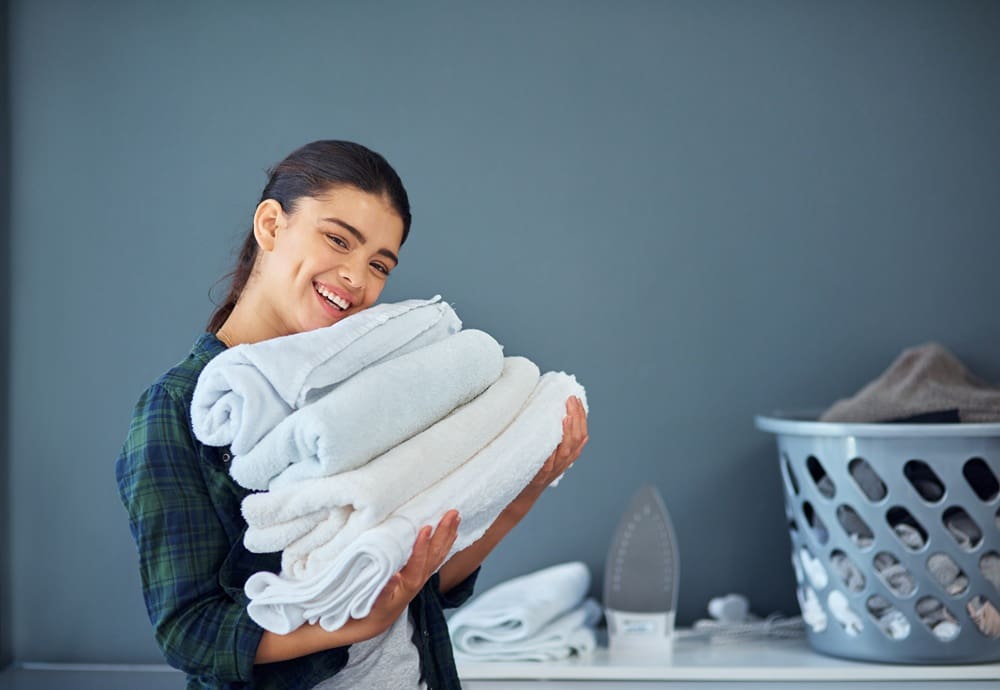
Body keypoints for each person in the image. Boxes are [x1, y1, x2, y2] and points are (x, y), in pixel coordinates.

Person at [115, 140, 589, 689]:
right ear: (271, 225)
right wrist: (348, 625)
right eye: (338, 239)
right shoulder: (181, 409)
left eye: (379, 264)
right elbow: (187, 632)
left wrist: (528, 485)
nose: (356, 279)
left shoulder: (372, 386)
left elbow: (417, 588)